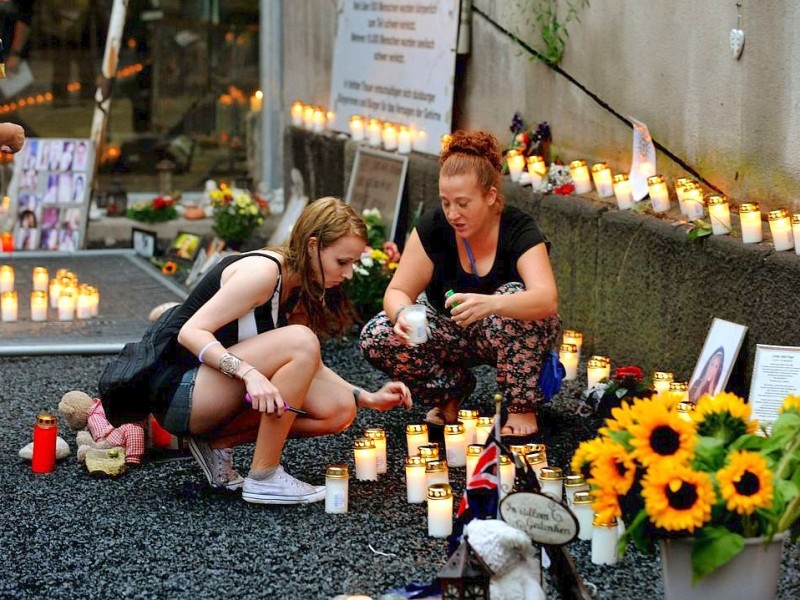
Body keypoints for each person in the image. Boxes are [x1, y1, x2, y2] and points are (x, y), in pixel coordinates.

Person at [141, 197, 412, 504]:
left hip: (210, 392)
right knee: (301, 339)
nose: (348, 274)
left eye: (353, 264)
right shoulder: (264, 272)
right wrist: (248, 372)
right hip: (180, 391)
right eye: (341, 262)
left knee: (339, 409)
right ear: (312, 246)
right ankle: (265, 476)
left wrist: (367, 398)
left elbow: (309, 366)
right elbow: (191, 332)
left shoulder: (299, 287)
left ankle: (217, 443)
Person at [359, 130, 561, 437]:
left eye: (463, 203)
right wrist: (401, 315)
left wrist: (492, 304)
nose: (453, 213)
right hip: (449, 329)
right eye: (446, 202)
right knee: (378, 334)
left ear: (490, 196)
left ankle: (521, 407)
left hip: (505, 332)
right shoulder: (433, 227)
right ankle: (449, 392)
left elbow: (546, 298)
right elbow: (398, 291)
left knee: (514, 297)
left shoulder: (519, 229)